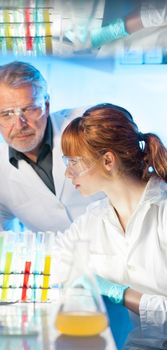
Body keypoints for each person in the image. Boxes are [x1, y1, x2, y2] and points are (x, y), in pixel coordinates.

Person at [54, 103, 167, 333]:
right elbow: (47, 267)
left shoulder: (163, 214)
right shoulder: (91, 221)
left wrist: (123, 295)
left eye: (73, 162)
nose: (68, 173)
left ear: (107, 160)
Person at [0, 61, 101, 233]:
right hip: (57, 259)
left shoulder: (87, 124)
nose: (20, 125)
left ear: (47, 105)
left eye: (29, 109)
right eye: (6, 114)